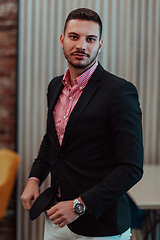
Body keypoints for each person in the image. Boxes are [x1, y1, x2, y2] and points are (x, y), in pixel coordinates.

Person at [21, 8, 143, 240]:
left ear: (100, 44)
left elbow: (131, 168)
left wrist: (79, 205)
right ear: (62, 40)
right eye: (74, 37)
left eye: (90, 39)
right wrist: (34, 178)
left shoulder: (119, 92)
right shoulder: (55, 86)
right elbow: (53, 140)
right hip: (57, 218)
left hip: (102, 225)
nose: (82, 46)